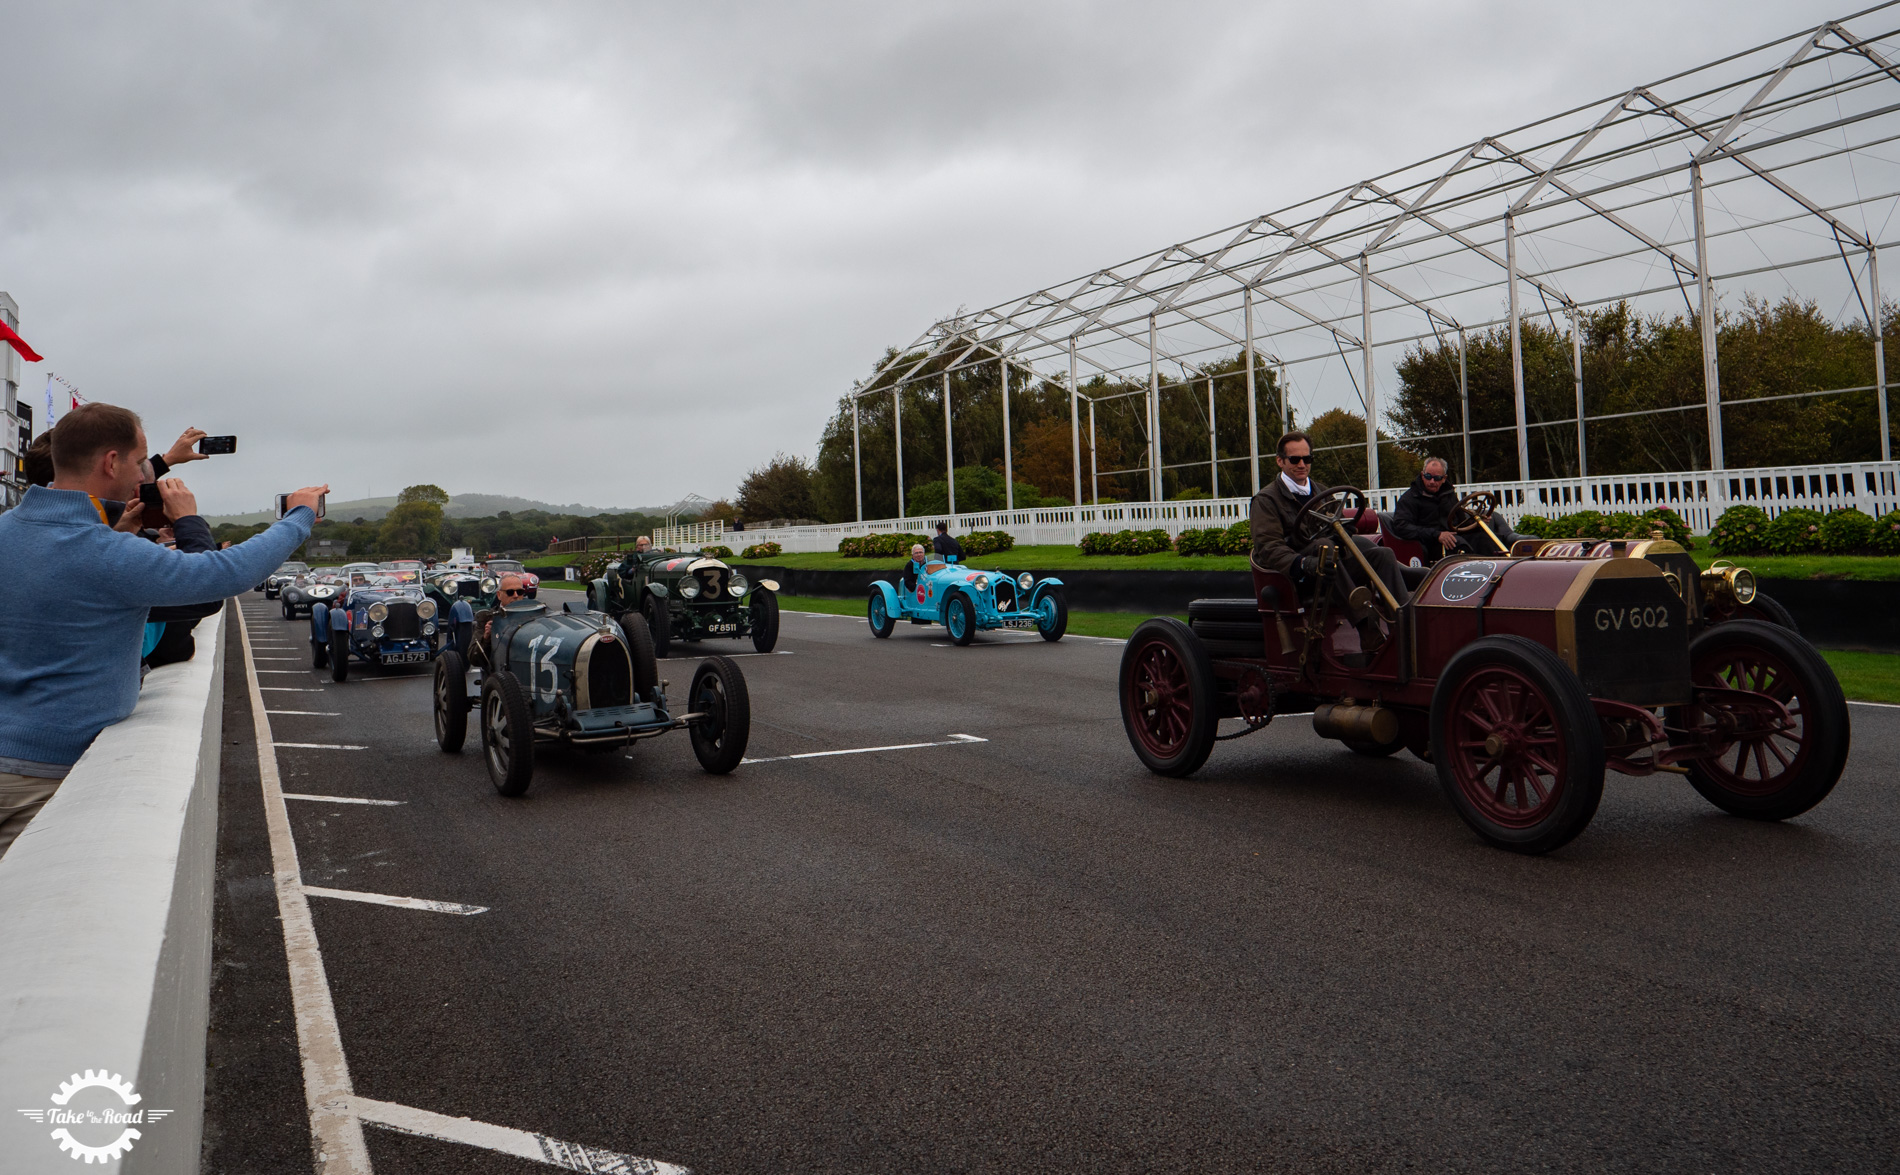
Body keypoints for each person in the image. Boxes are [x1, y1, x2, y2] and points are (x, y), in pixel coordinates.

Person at [0, 402, 327, 858]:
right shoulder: (104, 553)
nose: (145, 476)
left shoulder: (9, 530)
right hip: (47, 773)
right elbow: (225, 573)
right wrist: (299, 517)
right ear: (111, 462)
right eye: (140, 462)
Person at [1249, 430, 1410, 651]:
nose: (1302, 464)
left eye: (1307, 459)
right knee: (1324, 547)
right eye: (1294, 459)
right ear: (1280, 461)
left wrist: (1345, 530)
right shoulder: (1267, 500)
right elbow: (1269, 547)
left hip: (1329, 566)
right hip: (1299, 576)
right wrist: (1303, 564)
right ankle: (1367, 628)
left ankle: (1404, 624)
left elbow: (1336, 529)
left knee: (1381, 553)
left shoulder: (1322, 492)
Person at [1389, 456, 1517, 562]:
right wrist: (1437, 535)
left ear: (1444, 479)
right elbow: (1401, 526)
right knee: (1459, 544)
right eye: (1428, 477)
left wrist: (1477, 524)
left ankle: (1501, 570)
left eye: (1437, 478)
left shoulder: (1448, 495)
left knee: (1485, 539)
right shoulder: (1410, 498)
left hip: (1452, 536)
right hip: (1430, 542)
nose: (1432, 481)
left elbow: (1461, 521)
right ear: (1422, 475)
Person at [468, 574, 527, 668]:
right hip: (500, 674)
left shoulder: (533, 615)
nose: (516, 596)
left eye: (520, 592)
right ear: (499, 595)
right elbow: (473, 658)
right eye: (510, 592)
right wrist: (486, 638)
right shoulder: (486, 618)